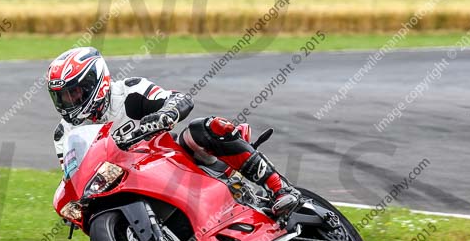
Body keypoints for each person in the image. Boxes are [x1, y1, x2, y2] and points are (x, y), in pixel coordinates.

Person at [47, 46, 300, 216]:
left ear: (95, 82)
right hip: (126, 184)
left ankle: (280, 188)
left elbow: (179, 99)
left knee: (201, 130)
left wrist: (165, 114)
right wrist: (72, 204)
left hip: (171, 161)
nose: (69, 101)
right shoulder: (64, 135)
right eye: (62, 97)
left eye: (74, 92)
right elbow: (73, 176)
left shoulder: (130, 91)